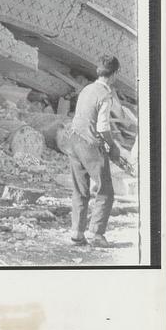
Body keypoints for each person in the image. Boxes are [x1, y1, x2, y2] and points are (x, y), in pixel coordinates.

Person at [65, 55, 123, 248]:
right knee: (105, 190)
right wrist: (113, 147)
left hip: (73, 140)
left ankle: (77, 234)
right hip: (89, 144)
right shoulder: (106, 95)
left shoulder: (86, 89)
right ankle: (96, 234)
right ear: (114, 74)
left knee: (80, 190)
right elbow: (103, 127)